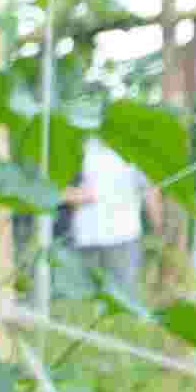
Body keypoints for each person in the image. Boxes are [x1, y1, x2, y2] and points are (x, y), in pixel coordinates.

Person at [62, 128, 162, 299]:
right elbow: (64, 187)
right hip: (85, 237)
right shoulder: (85, 146)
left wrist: (158, 226)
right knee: (83, 298)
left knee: (122, 299)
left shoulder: (135, 149)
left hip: (122, 236)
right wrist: (73, 195)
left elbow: (150, 191)